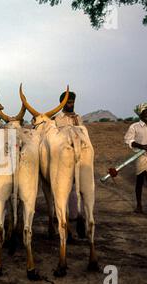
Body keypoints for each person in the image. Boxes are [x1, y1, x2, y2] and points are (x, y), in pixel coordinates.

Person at [54, 90, 86, 240]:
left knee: (76, 190)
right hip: (61, 160)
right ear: (62, 103)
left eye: (73, 101)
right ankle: (63, 224)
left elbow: (83, 136)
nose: (71, 104)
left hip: (77, 159)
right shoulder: (57, 120)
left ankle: (76, 220)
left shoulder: (78, 118)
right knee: (62, 191)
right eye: (68, 102)